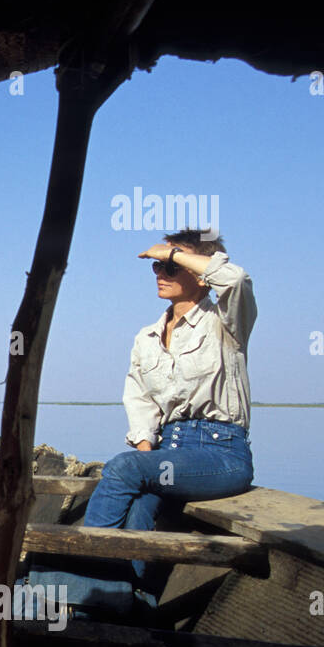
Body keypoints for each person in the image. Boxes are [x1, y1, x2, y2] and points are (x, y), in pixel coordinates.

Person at [79, 228, 257, 603]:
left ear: (199, 273)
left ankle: (85, 581)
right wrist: (146, 454)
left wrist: (175, 253)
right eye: (158, 266)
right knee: (139, 504)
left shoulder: (226, 322)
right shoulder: (147, 336)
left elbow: (236, 278)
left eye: (171, 266)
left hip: (221, 453)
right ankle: (133, 600)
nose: (161, 272)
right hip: (167, 453)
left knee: (124, 469)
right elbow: (140, 401)